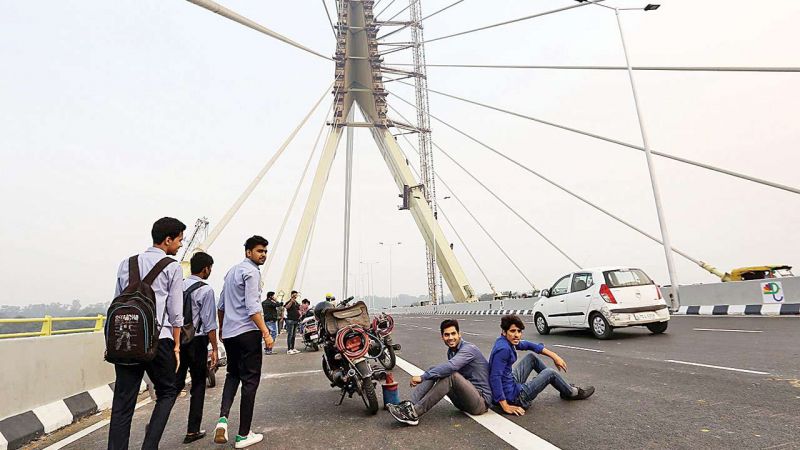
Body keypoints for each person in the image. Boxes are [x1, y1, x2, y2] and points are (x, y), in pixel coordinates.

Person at [107, 217, 186, 450]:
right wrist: (177, 346)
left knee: (123, 402)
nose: (181, 245)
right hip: (157, 341)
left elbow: (117, 301)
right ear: (168, 239)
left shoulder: (126, 263)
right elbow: (176, 313)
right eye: (179, 240)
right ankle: (149, 446)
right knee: (168, 391)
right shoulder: (172, 267)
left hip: (126, 339)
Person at [214, 236, 274, 448]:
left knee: (233, 375)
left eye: (265, 251)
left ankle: (223, 419)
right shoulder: (252, 272)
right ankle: (243, 434)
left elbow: (220, 305)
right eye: (259, 251)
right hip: (247, 334)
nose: (263, 255)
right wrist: (266, 333)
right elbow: (253, 307)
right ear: (248, 252)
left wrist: (222, 330)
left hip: (230, 334)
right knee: (250, 382)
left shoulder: (231, 272)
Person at [387, 319, 492, 426]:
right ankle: (410, 404)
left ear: (459, 334)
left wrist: (423, 377)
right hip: (463, 401)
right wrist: (430, 374)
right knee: (436, 369)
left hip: (479, 403)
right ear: (442, 337)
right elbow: (444, 370)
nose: (450, 338)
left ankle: (414, 413)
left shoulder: (469, 349)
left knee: (451, 375)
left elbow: (452, 366)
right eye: (446, 335)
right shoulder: (451, 352)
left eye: (453, 334)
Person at [488, 315, 594, 416]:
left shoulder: (506, 341)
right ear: (504, 332)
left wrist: (554, 356)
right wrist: (505, 406)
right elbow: (495, 377)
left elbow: (529, 345)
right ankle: (570, 393)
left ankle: (562, 386)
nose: (517, 335)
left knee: (531, 358)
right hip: (515, 398)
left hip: (511, 384)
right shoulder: (503, 349)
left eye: (519, 331)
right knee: (550, 373)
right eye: (512, 331)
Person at [175, 251, 218, 444]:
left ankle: (155, 426)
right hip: (197, 342)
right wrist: (215, 348)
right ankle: (192, 430)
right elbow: (209, 324)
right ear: (206, 268)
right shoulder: (206, 290)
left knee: (173, 386)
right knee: (198, 384)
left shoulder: (178, 286)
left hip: (176, 341)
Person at [284, 290, 301, 355]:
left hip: (296, 320)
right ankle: (289, 349)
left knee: (294, 335)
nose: (296, 296)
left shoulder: (296, 302)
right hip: (290, 320)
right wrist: (291, 301)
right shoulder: (289, 301)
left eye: (296, 295)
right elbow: (287, 307)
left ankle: (293, 348)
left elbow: (299, 309)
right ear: (291, 295)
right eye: (294, 295)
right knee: (290, 335)